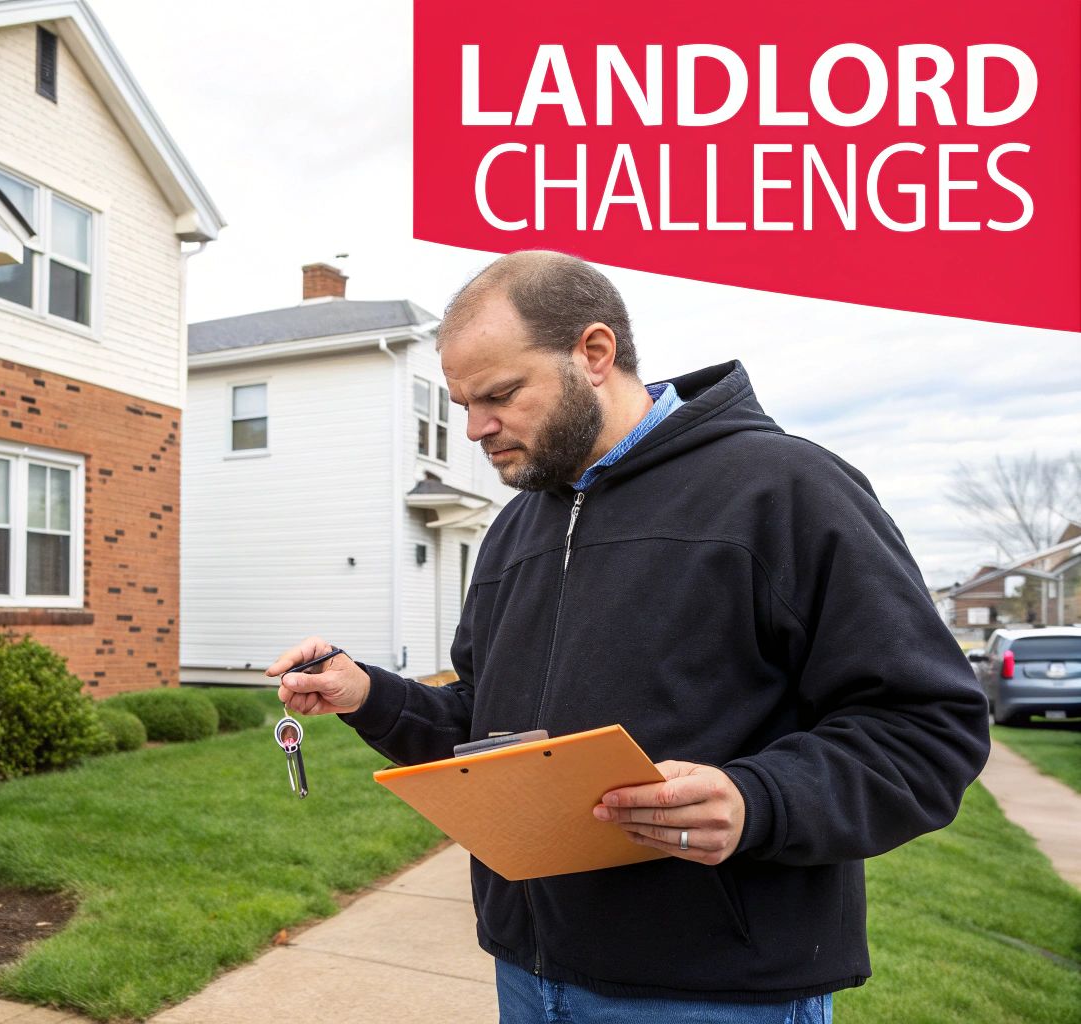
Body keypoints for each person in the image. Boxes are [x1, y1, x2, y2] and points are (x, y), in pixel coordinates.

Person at [269, 251, 990, 1023]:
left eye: (501, 394)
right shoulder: (516, 527)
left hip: (712, 992)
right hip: (530, 971)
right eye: (462, 404)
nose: (477, 427)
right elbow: (487, 734)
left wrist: (759, 799)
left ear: (594, 353)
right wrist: (369, 695)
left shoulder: (785, 490)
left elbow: (927, 726)